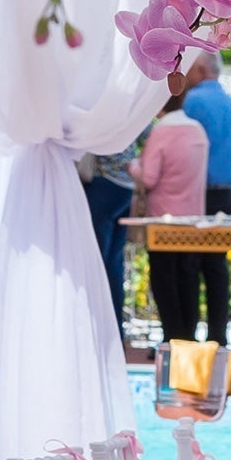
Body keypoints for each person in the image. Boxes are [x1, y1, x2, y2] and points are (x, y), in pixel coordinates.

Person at [181, 49, 231, 344]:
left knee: (188, 268)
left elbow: (181, 152)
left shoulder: (191, 102)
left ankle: (185, 340)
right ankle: (218, 337)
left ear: (199, 69)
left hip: (195, 196)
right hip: (226, 197)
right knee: (217, 270)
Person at [132, 90, 209, 343]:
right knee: (188, 279)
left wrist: (132, 166)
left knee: (165, 281)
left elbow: (150, 177)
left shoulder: (161, 133)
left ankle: (172, 338)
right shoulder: (198, 131)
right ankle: (189, 337)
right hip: (193, 219)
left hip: (162, 221)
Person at [85, 139, 138, 335]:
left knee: (96, 263)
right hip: (126, 186)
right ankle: (114, 331)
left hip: (102, 182)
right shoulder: (132, 107)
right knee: (114, 264)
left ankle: (98, 331)